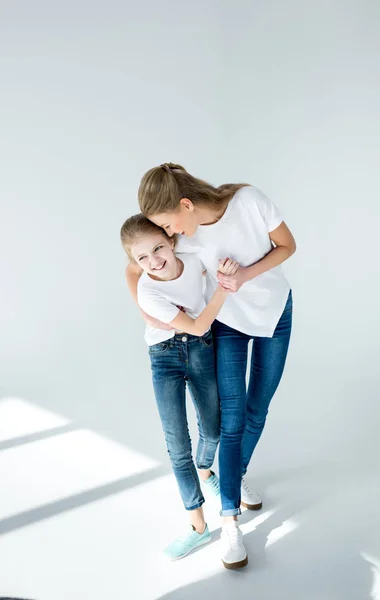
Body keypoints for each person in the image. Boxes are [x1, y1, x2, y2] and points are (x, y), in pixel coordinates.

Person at [127, 163, 296, 569]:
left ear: (185, 205)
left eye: (169, 223)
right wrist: (147, 310)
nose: (171, 234)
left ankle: (233, 479)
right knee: (233, 418)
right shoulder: (181, 239)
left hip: (276, 312)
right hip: (228, 323)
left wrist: (245, 275)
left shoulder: (249, 200)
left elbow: (288, 246)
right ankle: (229, 520)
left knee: (259, 408)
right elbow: (136, 265)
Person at [120, 214, 239, 562]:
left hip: (201, 353)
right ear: (135, 262)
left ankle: (206, 471)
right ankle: (197, 526)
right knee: (177, 443)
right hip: (165, 356)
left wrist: (224, 269)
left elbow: (212, 253)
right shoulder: (148, 290)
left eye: (157, 248)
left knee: (213, 430)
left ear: (170, 241)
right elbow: (201, 325)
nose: (153, 261)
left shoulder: (189, 255)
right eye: (142, 258)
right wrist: (224, 287)